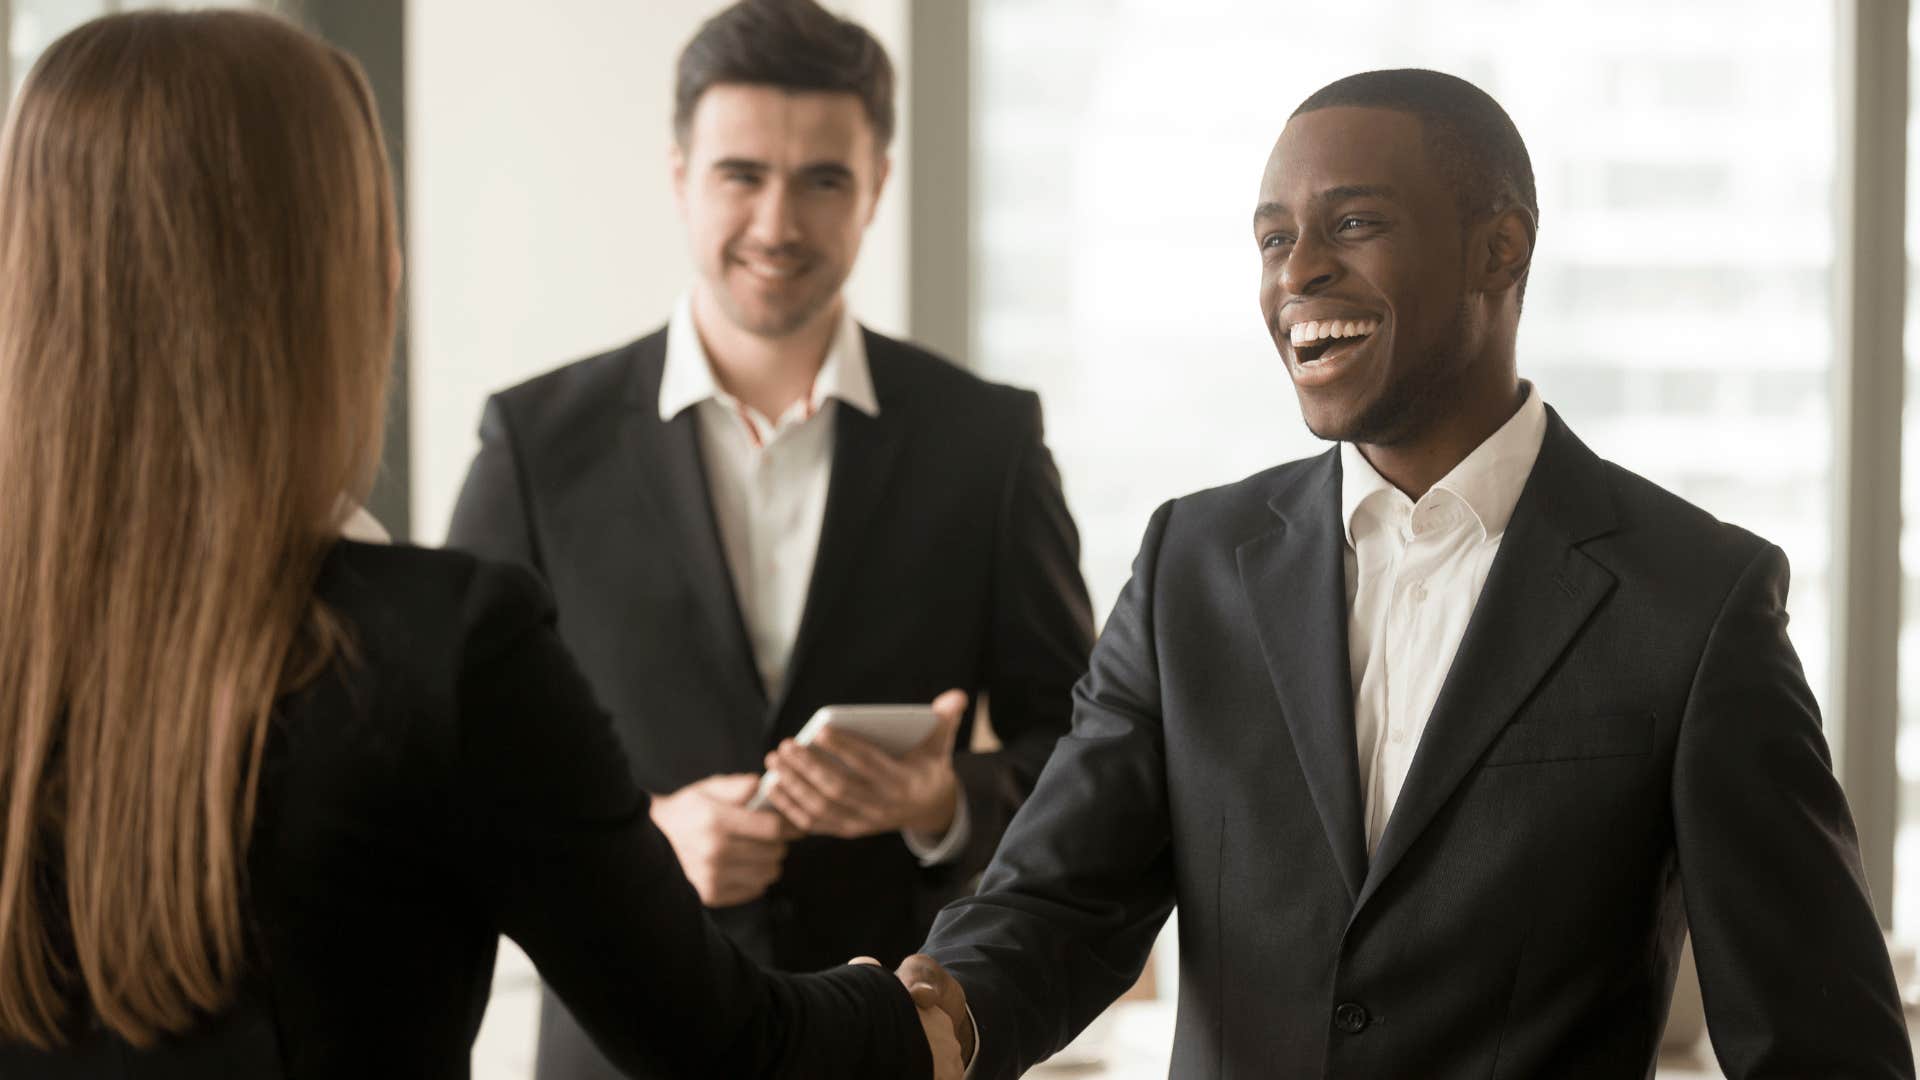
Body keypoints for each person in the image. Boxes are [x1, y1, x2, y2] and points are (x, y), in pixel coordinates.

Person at [898, 69, 1916, 1078]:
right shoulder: (1189, 568)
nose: (1298, 272)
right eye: (1273, 238)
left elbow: (1821, 1047)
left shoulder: (1694, 602)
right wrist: (899, 1031)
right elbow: (1055, 907)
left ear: (1500, 248)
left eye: (1352, 225)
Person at [0, 11, 959, 1078]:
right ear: (346, 276)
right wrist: (938, 1015)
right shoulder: (439, 647)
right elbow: (733, 1044)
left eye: (823, 179)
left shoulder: (978, 437)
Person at [444, 3, 1092, 1078]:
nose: (779, 222)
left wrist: (943, 804)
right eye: (742, 174)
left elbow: (1084, 764)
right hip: (617, 1052)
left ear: (878, 182)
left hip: (890, 1045)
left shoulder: (988, 441)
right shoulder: (534, 441)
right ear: (679, 174)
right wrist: (639, 848)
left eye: (823, 180)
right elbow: (449, 773)